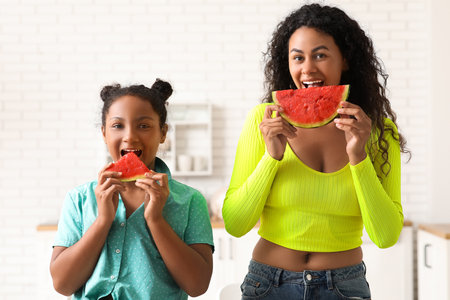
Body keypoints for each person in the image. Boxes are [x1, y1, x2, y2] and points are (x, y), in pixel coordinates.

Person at [222, 3, 409, 299]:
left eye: (320, 55)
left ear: (345, 59)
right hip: (268, 283)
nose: (307, 68)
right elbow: (234, 223)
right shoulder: (264, 120)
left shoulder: (378, 132)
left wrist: (358, 156)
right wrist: (271, 158)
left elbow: (385, 237)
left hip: (344, 287)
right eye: (298, 58)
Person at [50, 79, 214, 299]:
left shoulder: (191, 200)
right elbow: (62, 284)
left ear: (163, 133)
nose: (129, 136)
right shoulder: (79, 199)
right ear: (104, 133)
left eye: (144, 126)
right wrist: (102, 221)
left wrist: (156, 220)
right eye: (117, 126)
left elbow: (197, 286)